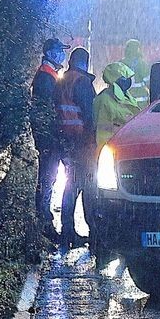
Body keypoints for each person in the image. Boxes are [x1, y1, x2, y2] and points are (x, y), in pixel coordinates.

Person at [55, 47, 96, 248]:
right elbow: (90, 115)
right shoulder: (82, 83)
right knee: (87, 186)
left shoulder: (62, 80)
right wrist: (92, 141)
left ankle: (67, 230)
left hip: (65, 139)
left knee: (71, 186)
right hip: (82, 141)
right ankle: (94, 232)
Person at [30, 38, 66, 240]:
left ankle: (44, 221)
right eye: (59, 51)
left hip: (48, 136)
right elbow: (45, 110)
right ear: (50, 53)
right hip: (47, 138)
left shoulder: (49, 74)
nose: (62, 54)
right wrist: (50, 136)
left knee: (48, 177)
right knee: (47, 177)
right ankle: (44, 223)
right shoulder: (46, 76)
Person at [95, 62, 144, 149]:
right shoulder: (105, 99)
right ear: (117, 80)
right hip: (114, 147)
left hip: (126, 145)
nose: (130, 81)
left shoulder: (127, 97)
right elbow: (102, 132)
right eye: (126, 78)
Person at [121, 39, 151, 107]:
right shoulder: (142, 64)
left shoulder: (121, 64)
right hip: (140, 102)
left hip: (125, 101)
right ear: (138, 49)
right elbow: (148, 83)